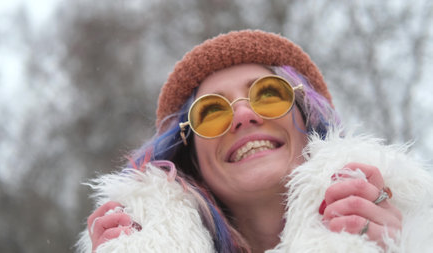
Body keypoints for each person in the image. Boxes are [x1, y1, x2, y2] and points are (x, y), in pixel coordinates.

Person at [76, 30, 433, 253]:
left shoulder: (414, 224)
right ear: (189, 155)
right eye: (212, 111)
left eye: (268, 94)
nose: (244, 115)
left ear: (310, 121)